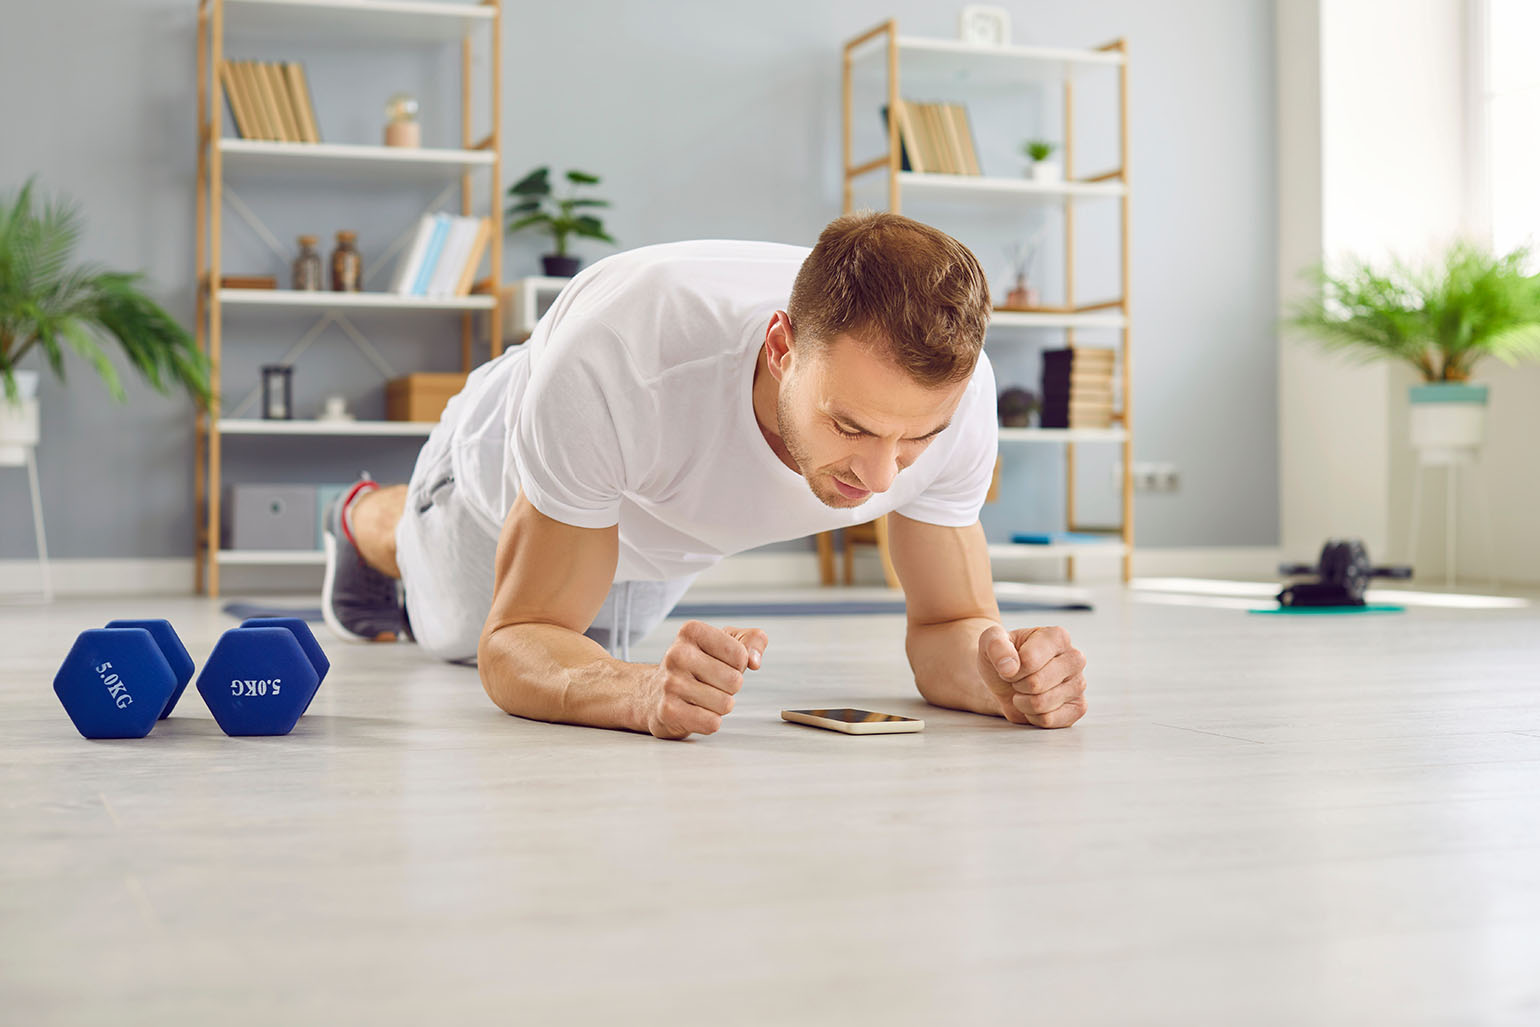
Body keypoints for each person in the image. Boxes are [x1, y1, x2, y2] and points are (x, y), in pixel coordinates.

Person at [322, 211, 1089, 740]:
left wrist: (1008, 678)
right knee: (451, 630)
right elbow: (519, 638)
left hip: (665, 522)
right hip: (497, 481)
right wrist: (634, 690)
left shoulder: (964, 398)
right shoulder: (619, 359)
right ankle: (365, 520)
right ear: (781, 348)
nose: (883, 475)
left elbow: (946, 626)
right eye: (850, 426)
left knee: (601, 642)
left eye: (917, 437)